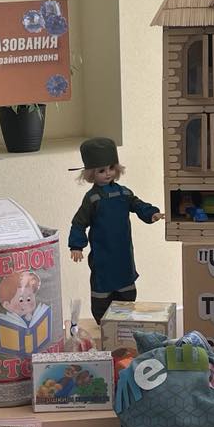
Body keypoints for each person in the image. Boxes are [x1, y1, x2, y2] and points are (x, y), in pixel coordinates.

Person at [68, 137, 165, 325]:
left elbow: (138, 205)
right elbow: (79, 223)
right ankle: (103, 324)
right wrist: (76, 246)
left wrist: (151, 213)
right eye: (101, 171)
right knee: (102, 291)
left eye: (111, 168)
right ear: (91, 174)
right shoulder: (92, 199)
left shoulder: (124, 193)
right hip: (102, 257)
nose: (108, 173)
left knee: (126, 290)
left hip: (123, 255)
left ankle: (125, 323)